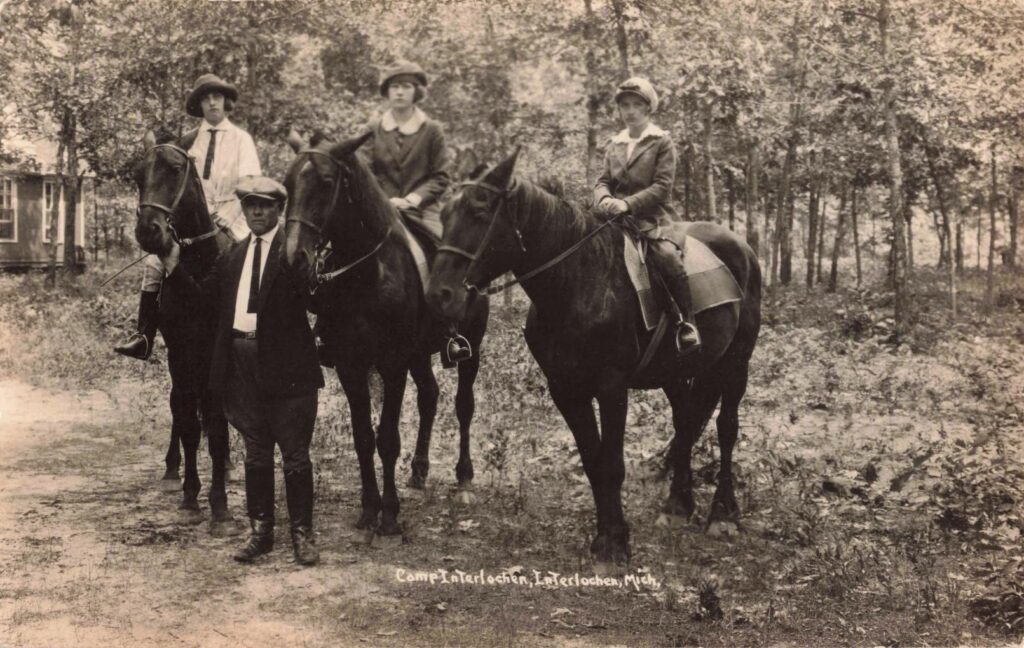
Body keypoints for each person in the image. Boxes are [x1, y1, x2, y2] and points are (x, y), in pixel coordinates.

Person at [159, 176, 324, 566]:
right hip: (241, 366)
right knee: (255, 454)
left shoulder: (294, 250)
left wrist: (312, 268)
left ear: (279, 209)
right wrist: (173, 266)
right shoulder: (232, 257)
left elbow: (318, 301)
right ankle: (261, 533)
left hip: (288, 368)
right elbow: (202, 301)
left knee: (295, 456)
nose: (257, 212)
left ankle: (302, 535)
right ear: (244, 209)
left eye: (265, 205)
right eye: (251, 205)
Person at [115, 73, 261, 360]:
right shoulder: (187, 142)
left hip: (232, 216)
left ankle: (258, 333)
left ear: (225, 101)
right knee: (156, 262)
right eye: (205, 98)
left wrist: (230, 214)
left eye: (216, 96)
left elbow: (250, 182)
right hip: (193, 221)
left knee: (253, 261)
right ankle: (143, 334)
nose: (211, 102)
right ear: (199, 105)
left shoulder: (242, 140)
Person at [594, 77, 701, 355]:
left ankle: (685, 323)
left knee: (666, 258)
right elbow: (603, 180)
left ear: (648, 108)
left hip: (652, 219)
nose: (630, 111)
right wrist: (604, 198)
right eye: (625, 105)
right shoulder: (615, 144)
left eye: (637, 105)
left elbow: (663, 187)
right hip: (612, 219)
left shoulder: (661, 142)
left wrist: (627, 204)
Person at [361, 60, 453, 236]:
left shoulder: (432, 130)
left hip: (423, 210)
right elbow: (365, 171)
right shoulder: (372, 129)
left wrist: (413, 199)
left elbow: (441, 177)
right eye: (395, 87)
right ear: (387, 92)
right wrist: (383, 199)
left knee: (441, 251)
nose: (400, 92)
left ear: (416, 92)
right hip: (380, 207)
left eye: (406, 86)